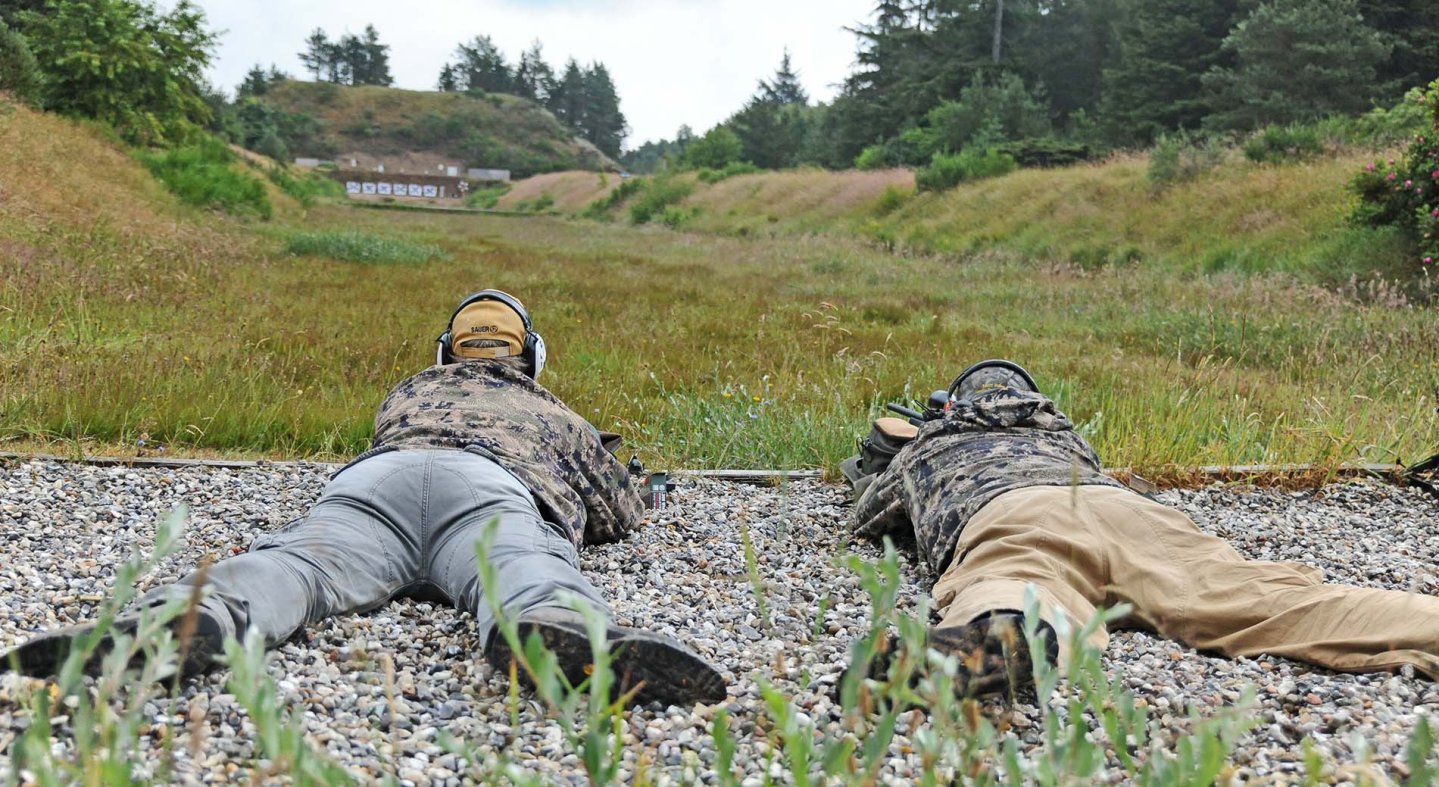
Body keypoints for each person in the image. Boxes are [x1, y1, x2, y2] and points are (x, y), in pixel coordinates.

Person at [3, 290, 727, 706]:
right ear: (530, 357)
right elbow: (618, 515)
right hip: (487, 488)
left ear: (445, 351)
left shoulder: (406, 391)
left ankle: (189, 615)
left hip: (375, 480)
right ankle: (555, 625)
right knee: (521, 567)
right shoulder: (556, 415)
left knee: (298, 566)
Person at [843, 359, 1439, 696]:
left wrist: (895, 455)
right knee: (1274, 600)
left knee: (1019, 579)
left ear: (950, 408)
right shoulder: (1065, 437)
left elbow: (870, 519)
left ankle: (1000, 636)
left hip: (1014, 512)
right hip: (1129, 511)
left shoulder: (938, 442)